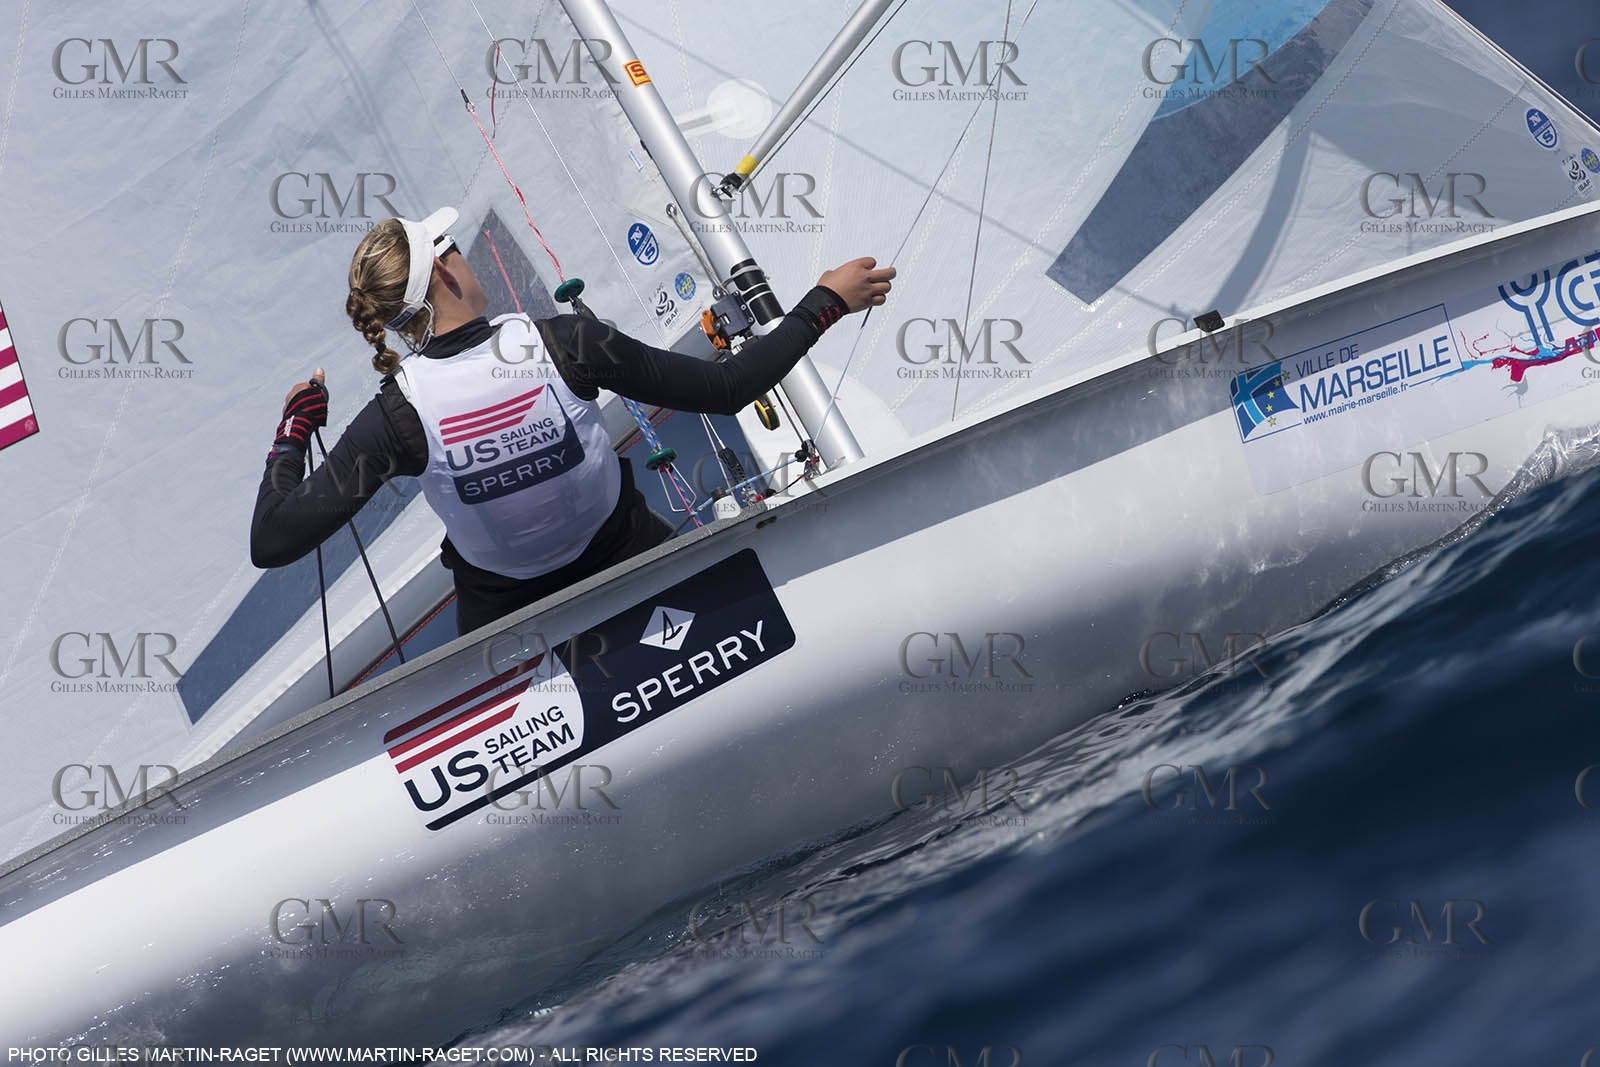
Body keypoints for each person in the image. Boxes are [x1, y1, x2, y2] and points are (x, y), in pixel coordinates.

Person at [250, 206, 894, 634]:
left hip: (511, 626)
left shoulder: (397, 414)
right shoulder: (564, 343)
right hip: (633, 564)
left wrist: (294, 432)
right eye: (455, 248)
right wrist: (825, 302)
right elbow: (729, 387)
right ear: (445, 268)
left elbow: (273, 540)